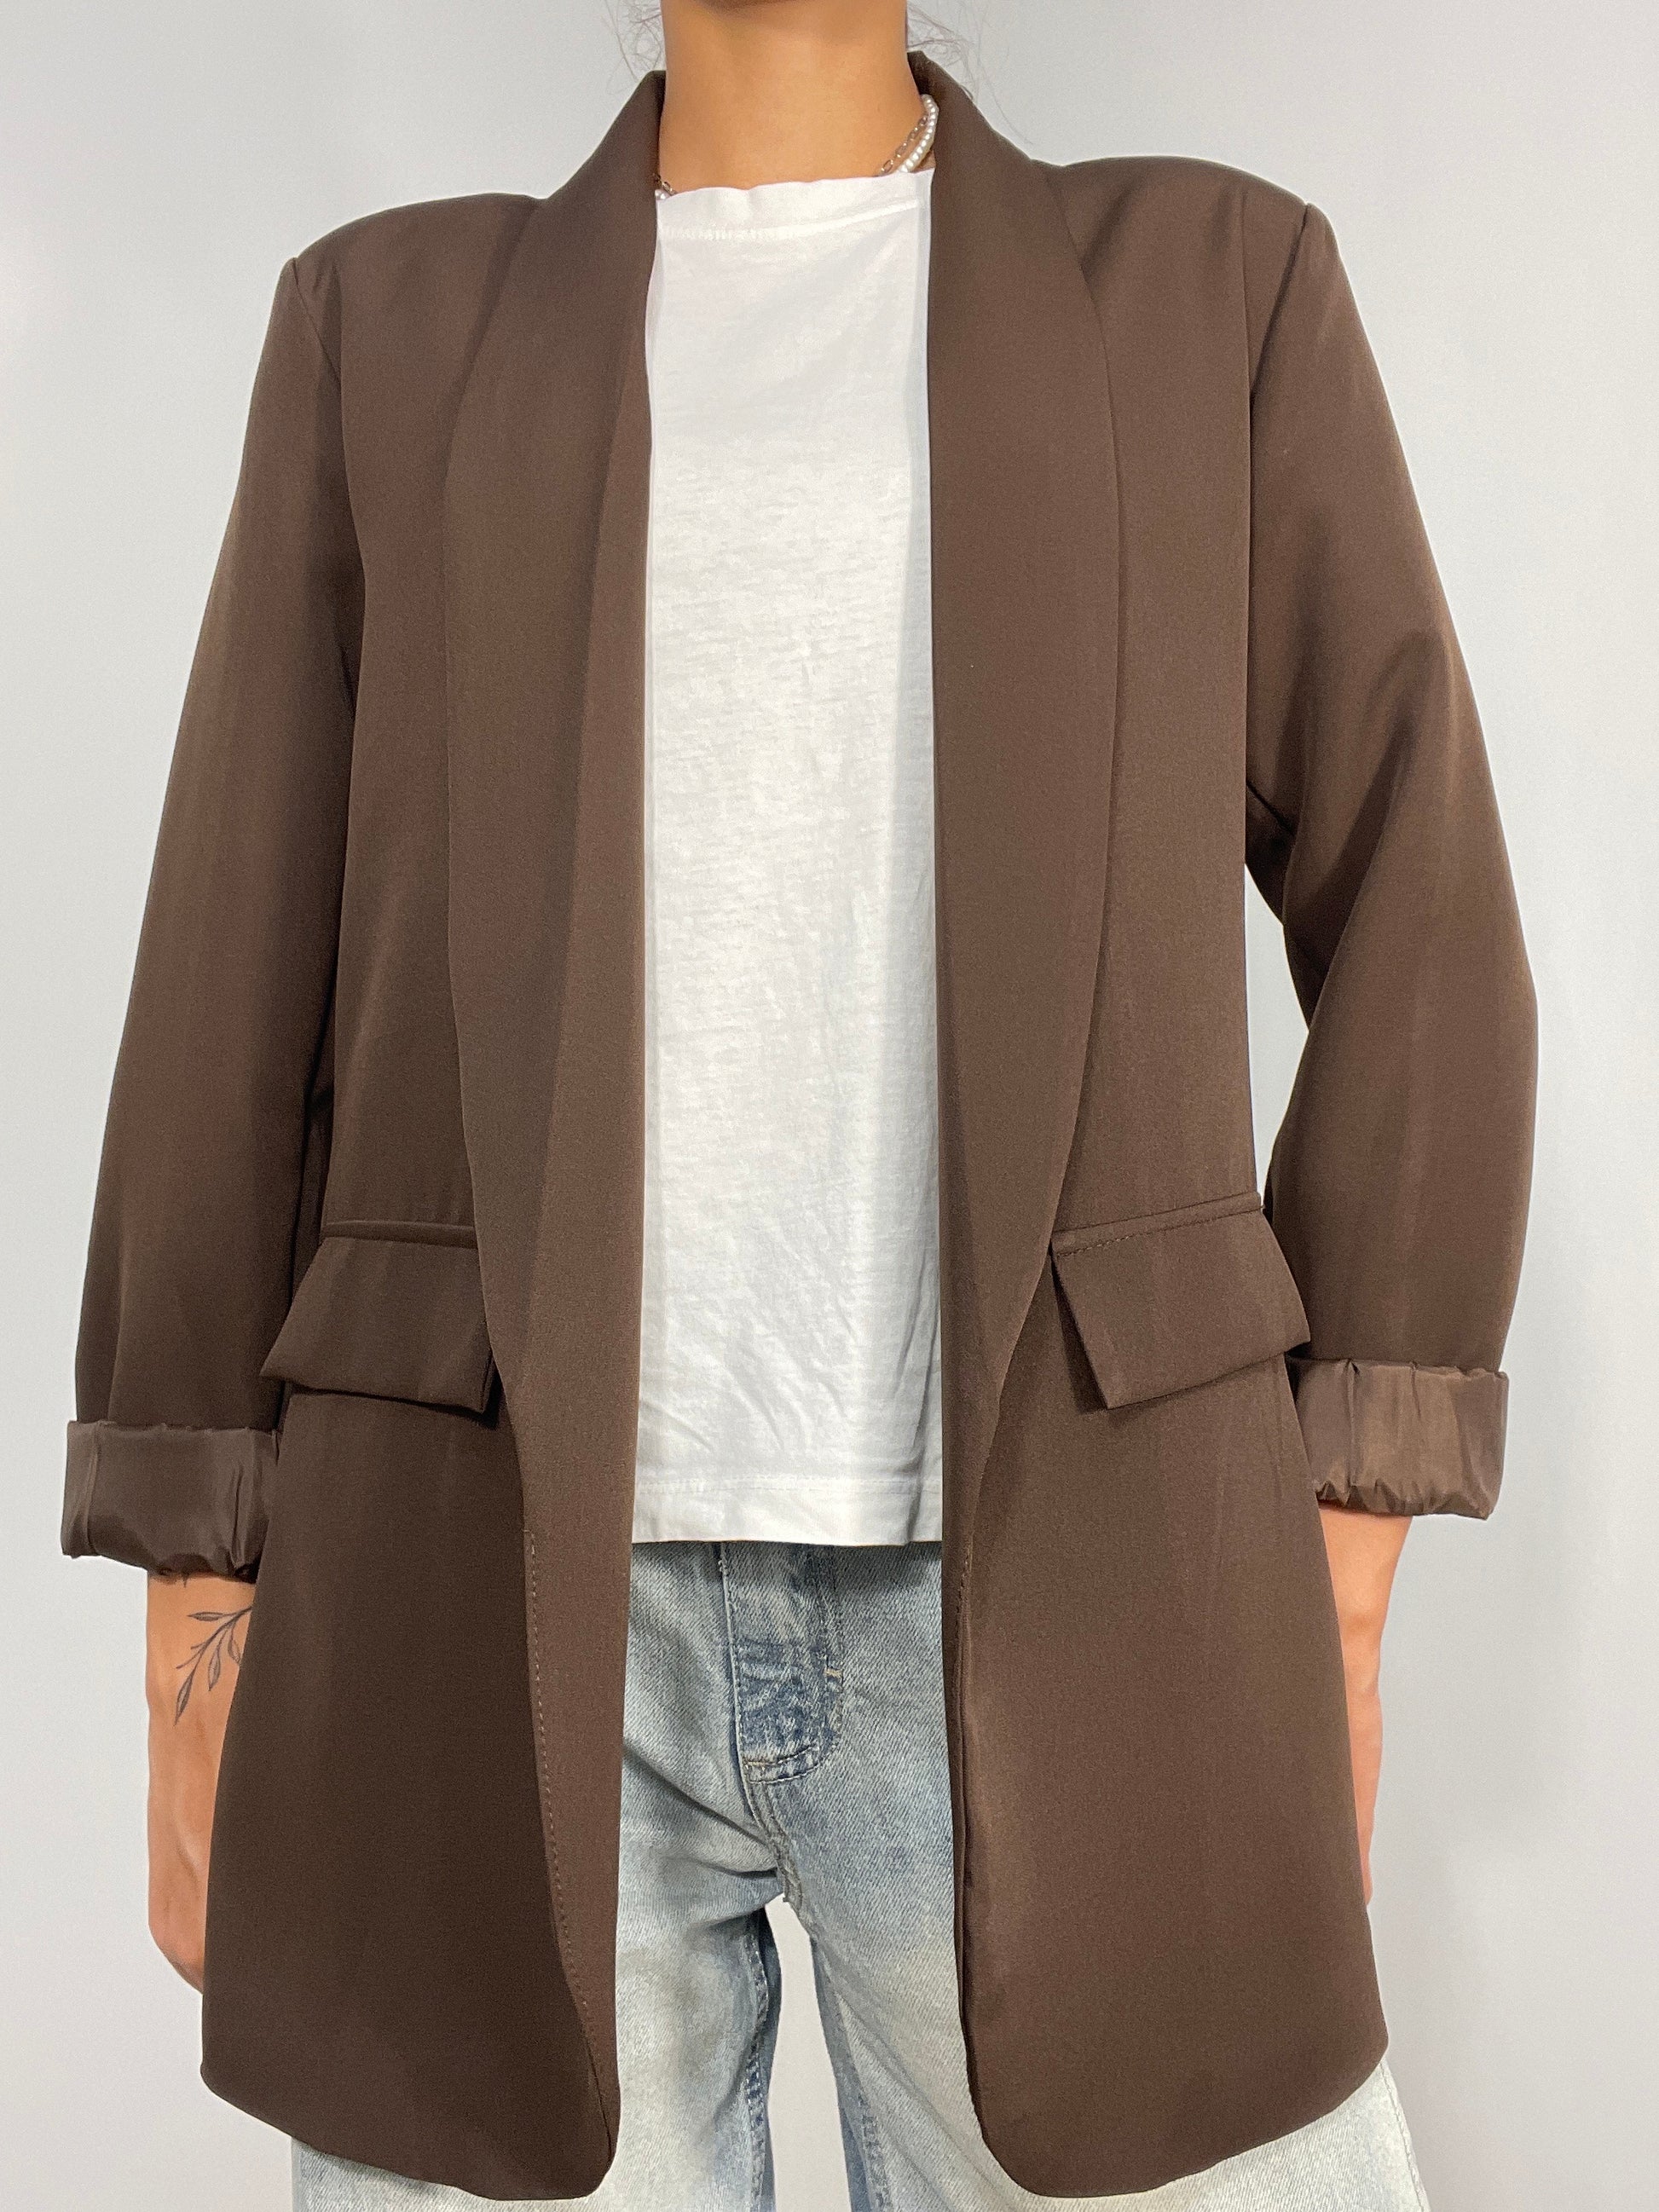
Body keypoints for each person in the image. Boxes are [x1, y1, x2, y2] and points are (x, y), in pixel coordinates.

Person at [62, 2, 1536, 2207]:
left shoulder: (1211, 296)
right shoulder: (386, 329)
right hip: (480, 1624)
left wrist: (1338, 1546)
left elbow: (1423, 905)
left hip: (1084, 1597)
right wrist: (191, 1608)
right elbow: (231, 966)